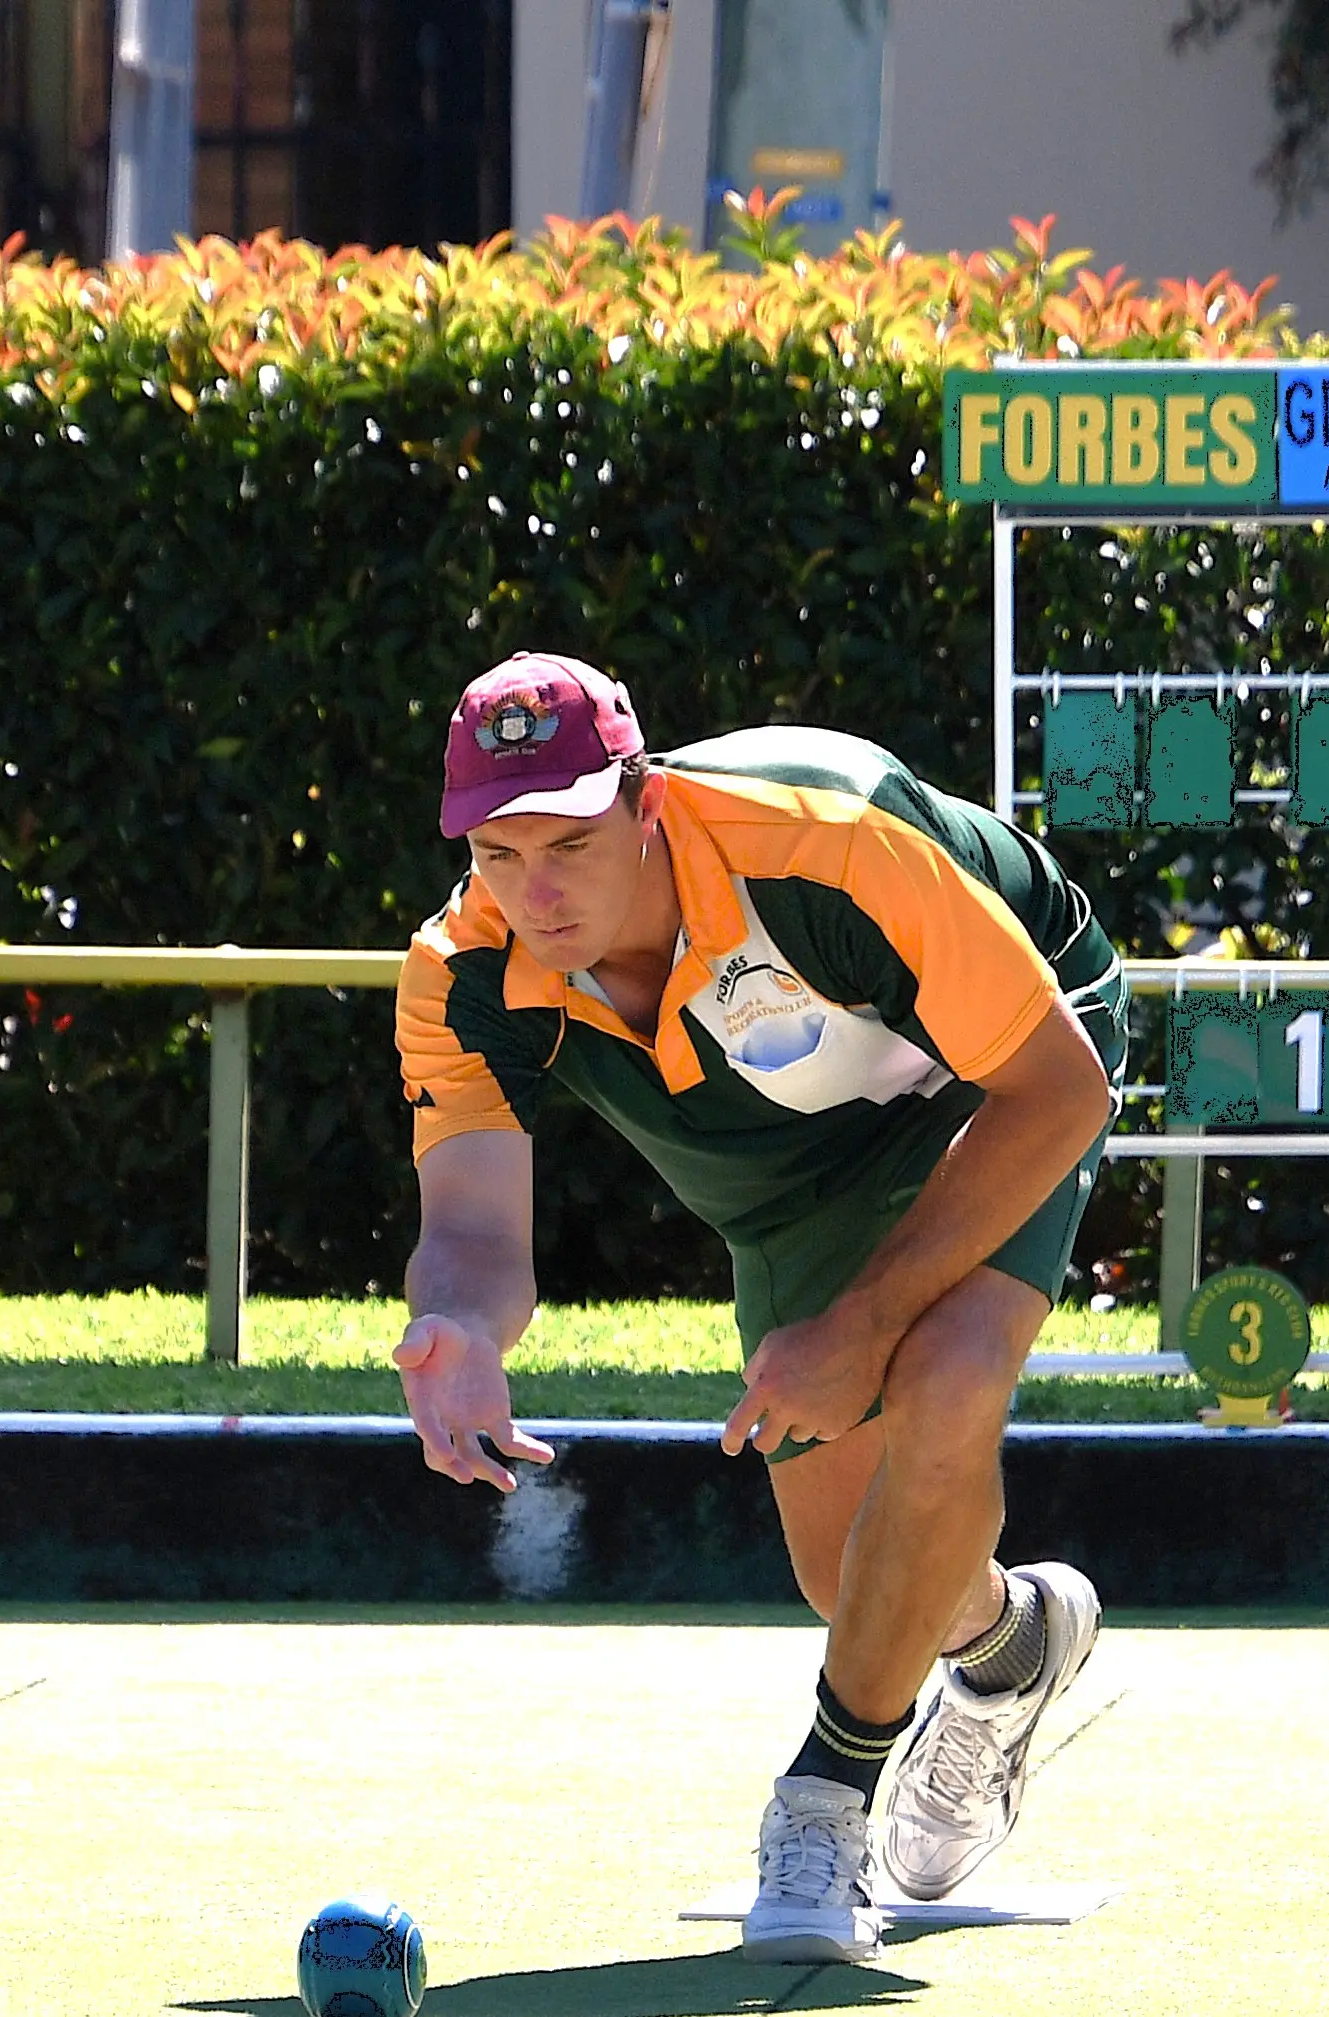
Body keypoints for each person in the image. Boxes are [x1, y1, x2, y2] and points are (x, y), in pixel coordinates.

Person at [385, 651, 1126, 1960]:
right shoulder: (460, 977)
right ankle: (1010, 1645)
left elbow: (1059, 1091)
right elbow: (477, 1237)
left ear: (646, 799)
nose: (534, 889)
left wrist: (857, 1326)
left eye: (568, 840)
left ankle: (824, 1799)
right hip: (796, 1176)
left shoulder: (829, 845)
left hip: (1005, 1072)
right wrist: (454, 1328)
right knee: (850, 1583)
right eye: (499, 853)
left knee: (943, 1380)